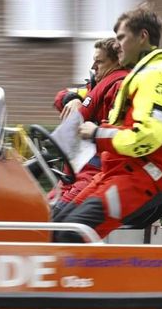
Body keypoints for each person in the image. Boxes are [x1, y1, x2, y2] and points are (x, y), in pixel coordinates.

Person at [52, 4, 162, 239]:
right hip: (118, 171)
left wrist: (97, 134)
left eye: (121, 37)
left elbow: (147, 136)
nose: (117, 44)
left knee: (71, 235)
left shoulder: (157, 75)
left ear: (142, 37)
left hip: (143, 175)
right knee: (57, 228)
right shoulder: (143, 74)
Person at [55, 38, 131, 204]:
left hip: (93, 171)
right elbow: (61, 96)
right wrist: (72, 98)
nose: (93, 67)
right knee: (40, 212)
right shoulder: (96, 85)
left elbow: (115, 130)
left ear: (117, 62)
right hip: (75, 172)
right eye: (93, 61)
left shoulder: (119, 88)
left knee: (54, 216)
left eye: (99, 62)